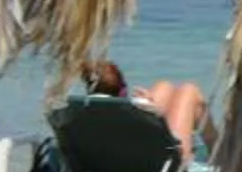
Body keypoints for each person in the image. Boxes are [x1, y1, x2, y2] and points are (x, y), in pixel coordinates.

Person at [77, 58, 210, 160]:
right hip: (159, 166)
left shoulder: (74, 114)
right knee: (189, 91)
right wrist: (149, 109)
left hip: (112, 164)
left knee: (164, 86)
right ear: (123, 91)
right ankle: (218, 158)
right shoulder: (130, 113)